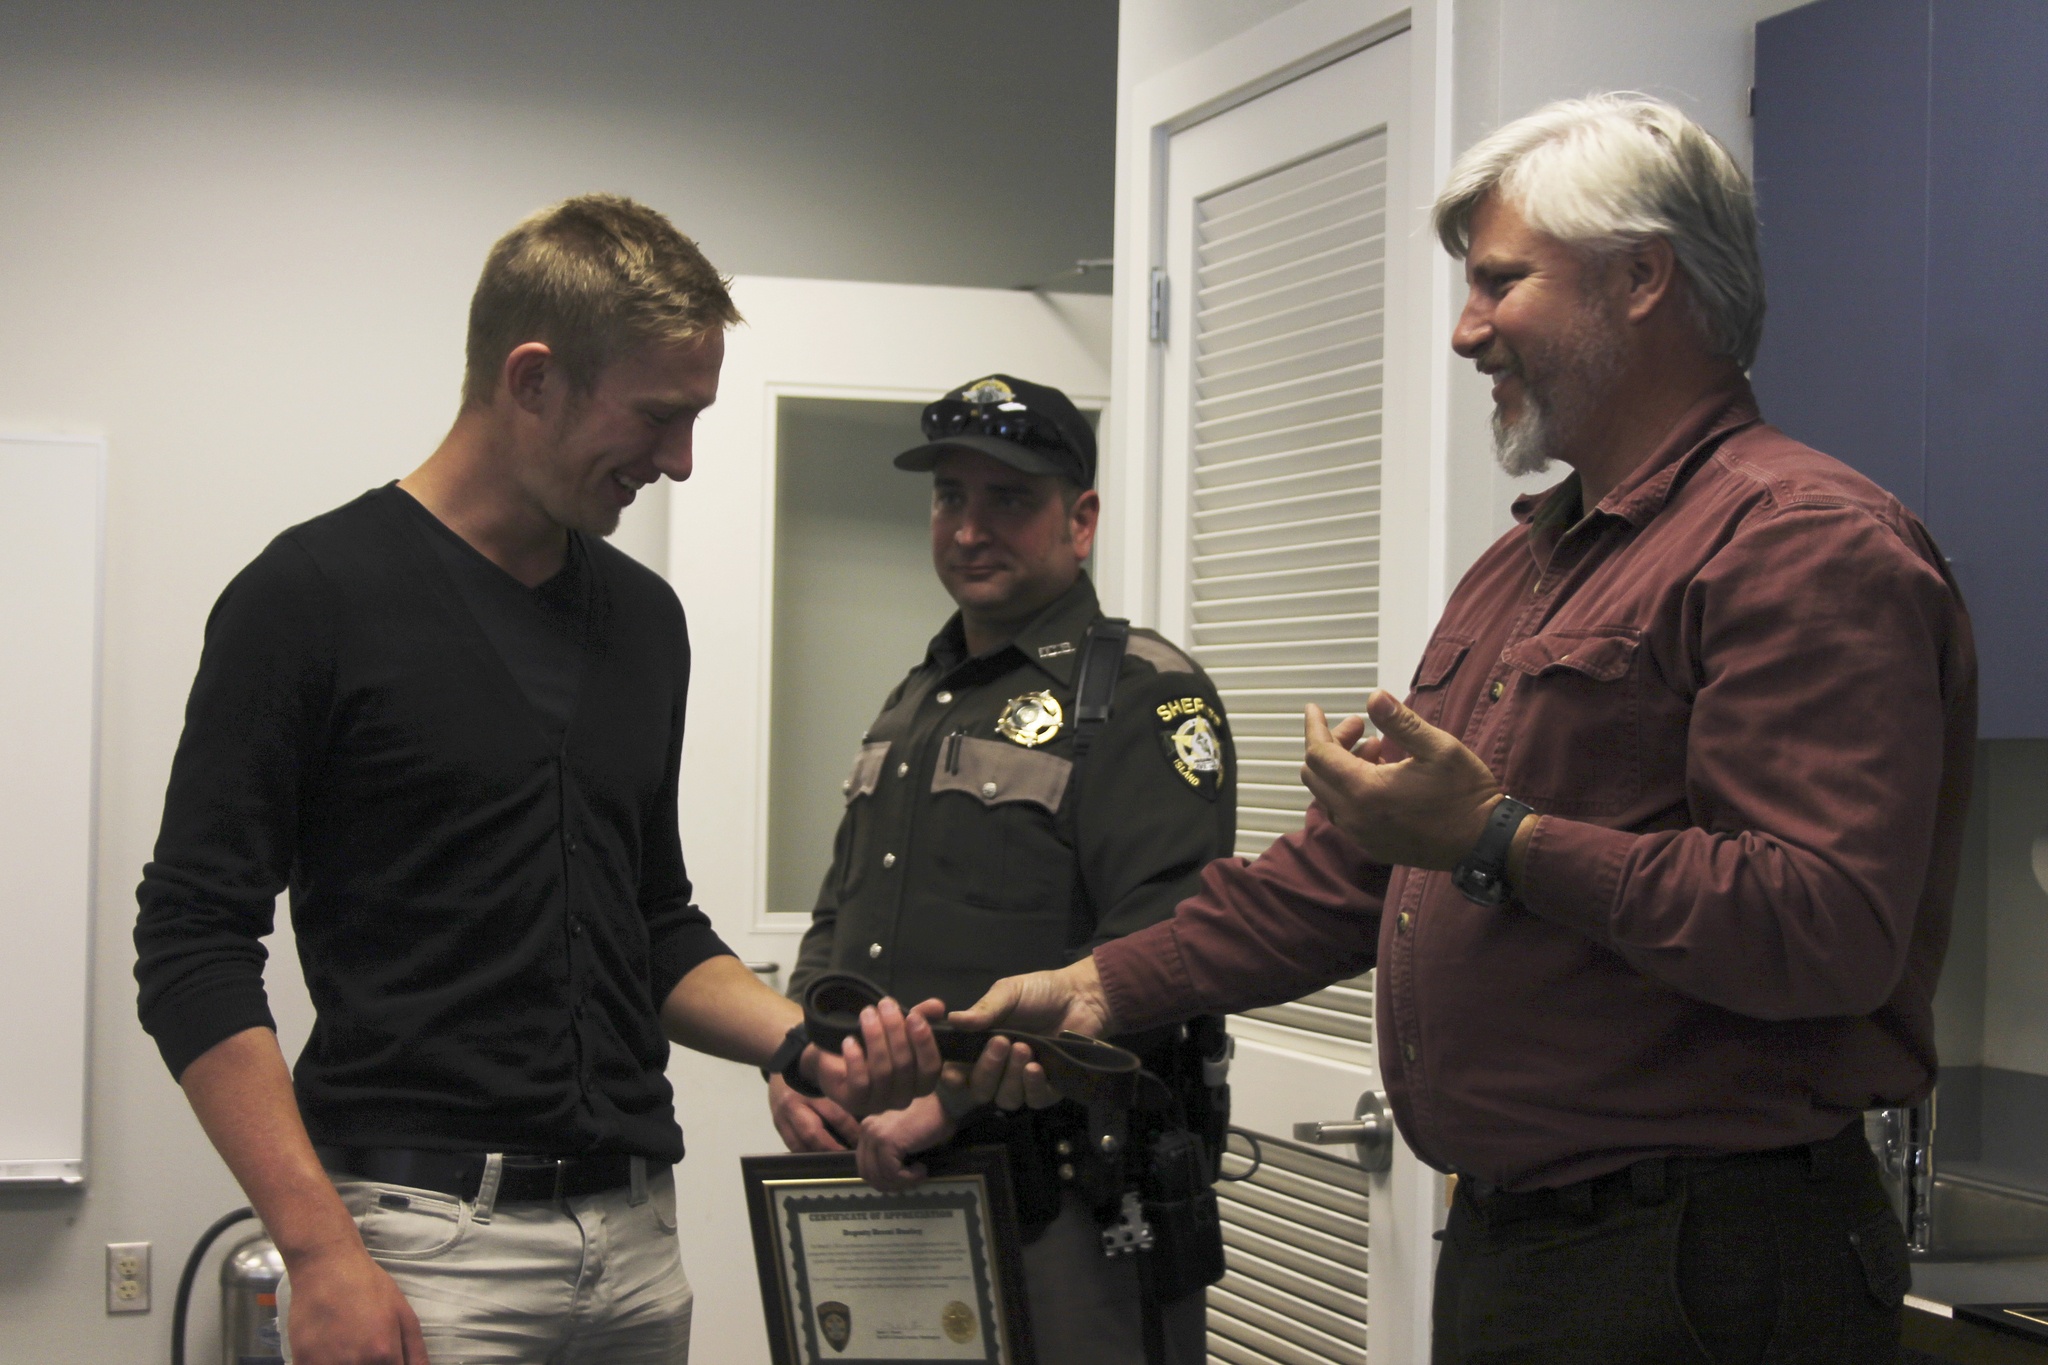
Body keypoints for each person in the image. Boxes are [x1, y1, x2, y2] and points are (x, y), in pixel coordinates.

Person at [950, 96, 1977, 1364]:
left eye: (1500, 283)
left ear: (1642, 276)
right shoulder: (1527, 563)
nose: (1463, 331)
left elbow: (1818, 926)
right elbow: (1348, 872)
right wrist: (1096, 988)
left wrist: (1498, 836)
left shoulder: (1797, 542)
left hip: (1706, 1256)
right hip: (1530, 1245)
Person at [134, 193, 936, 1365]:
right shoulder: (307, 598)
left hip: (634, 1249)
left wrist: (806, 1047)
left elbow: (649, 920)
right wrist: (315, 1250)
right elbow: (192, 942)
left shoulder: (644, 622)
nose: (681, 462)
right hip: (415, 1251)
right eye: (659, 418)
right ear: (530, 379)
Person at [769, 374, 1238, 1365]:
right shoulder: (915, 700)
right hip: (887, 1183)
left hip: (1063, 1199)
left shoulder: (1144, 696)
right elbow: (837, 917)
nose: (968, 528)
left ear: (1081, 520)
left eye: (1008, 499)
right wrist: (805, 1063)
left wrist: (944, 1107)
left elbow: (1159, 961)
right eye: (949, 498)